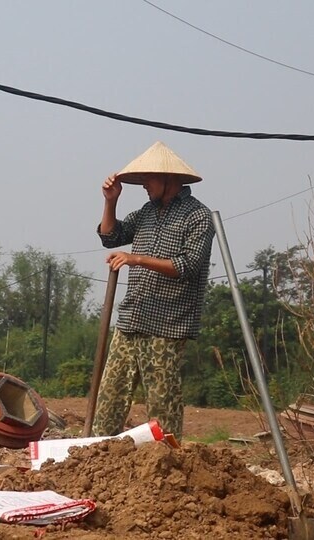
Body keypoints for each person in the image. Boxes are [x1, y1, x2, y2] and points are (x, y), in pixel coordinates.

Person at [93, 141, 215, 440]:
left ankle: (166, 464)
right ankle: (97, 454)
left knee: (162, 405)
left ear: (169, 179)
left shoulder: (198, 216)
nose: (145, 185)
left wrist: (136, 259)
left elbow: (187, 265)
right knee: (110, 396)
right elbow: (111, 237)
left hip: (167, 325)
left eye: (149, 179)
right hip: (132, 318)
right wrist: (110, 201)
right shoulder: (147, 212)